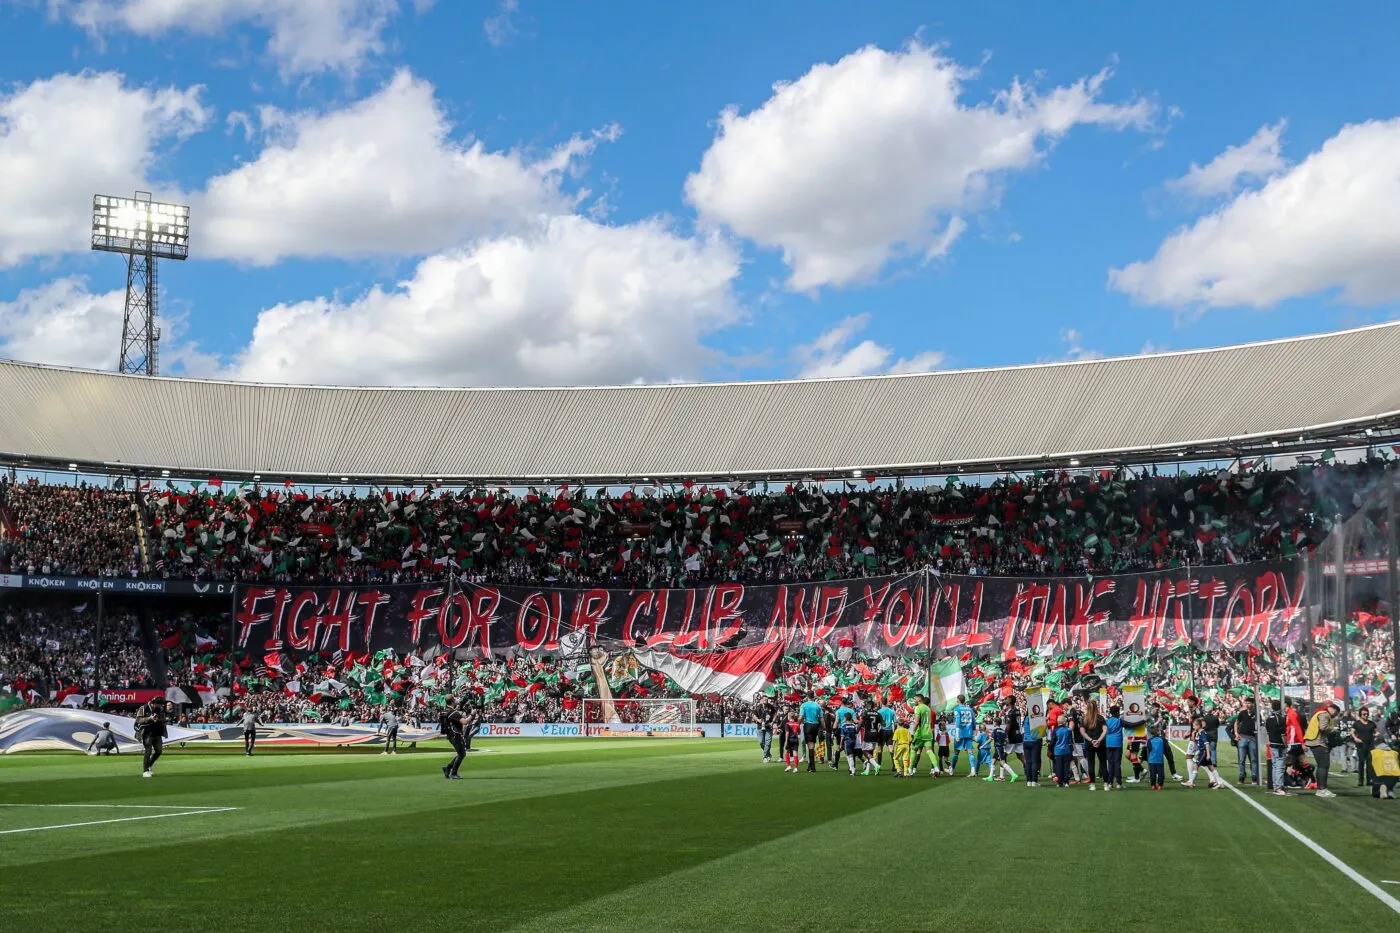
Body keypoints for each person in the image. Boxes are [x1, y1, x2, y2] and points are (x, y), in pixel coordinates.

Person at [1305, 701, 1338, 798]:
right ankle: (1322, 789)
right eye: (1336, 714)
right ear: (1334, 710)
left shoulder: (1319, 713)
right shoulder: (1324, 714)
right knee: (1324, 765)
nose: (1335, 716)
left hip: (1313, 741)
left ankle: (1320, 788)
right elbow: (1323, 727)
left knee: (1321, 766)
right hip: (1318, 742)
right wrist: (1333, 729)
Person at [133, 696, 168, 778]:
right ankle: (145, 771)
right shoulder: (143, 708)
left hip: (158, 733)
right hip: (147, 733)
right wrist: (149, 718)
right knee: (148, 751)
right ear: (154, 703)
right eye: (159, 705)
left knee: (159, 751)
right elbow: (138, 720)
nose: (160, 707)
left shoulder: (161, 709)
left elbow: (163, 719)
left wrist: (162, 720)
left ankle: (149, 766)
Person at [1184, 717, 1224, 790]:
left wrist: (1208, 754)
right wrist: (1193, 736)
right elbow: (1198, 742)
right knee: (1211, 767)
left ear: (1198, 726)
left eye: (1194, 726)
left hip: (1204, 753)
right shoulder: (1199, 733)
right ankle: (1220, 783)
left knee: (1196, 766)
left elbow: (1207, 743)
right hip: (1203, 752)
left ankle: (1191, 782)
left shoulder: (1202, 733)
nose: (1193, 727)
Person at [1263, 699, 1289, 797]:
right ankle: (1279, 787)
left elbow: (1268, 731)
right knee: (1280, 766)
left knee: (1274, 765)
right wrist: (1286, 745)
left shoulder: (1268, 718)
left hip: (1272, 744)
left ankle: (1275, 786)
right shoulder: (1281, 718)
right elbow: (1283, 734)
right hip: (1279, 745)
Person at [1233, 696, 1259, 786]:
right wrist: (1236, 732)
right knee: (1241, 760)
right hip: (1243, 737)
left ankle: (1254, 777)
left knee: (1253, 759)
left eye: (1249, 703)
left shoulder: (1257, 714)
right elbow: (1236, 722)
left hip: (1252, 738)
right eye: (1246, 703)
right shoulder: (1242, 713)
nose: (1247, 705)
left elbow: (1260, 726)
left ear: (1253, 704)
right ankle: (1241, 777)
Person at [1080, 700, 1106, 790]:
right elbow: (1105, 730)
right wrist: (1098, 740)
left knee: (1091, 764)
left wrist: (1091, 740)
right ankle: (1106, 784)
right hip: (1100, 744)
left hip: (1089, 744)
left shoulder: (1085, 718)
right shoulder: (1101, 718)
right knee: (1103, 764)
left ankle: (1093, 784)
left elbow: (1082, 732)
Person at [440, 698, 467, 780]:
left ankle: (448, 768)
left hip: (450, 734)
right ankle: (453, 773)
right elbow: (465, 722)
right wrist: (472, 715)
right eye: (455, 699)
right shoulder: (453, 712)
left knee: (461, 753)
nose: (456, 700)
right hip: (455, 735)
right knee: (461, 754)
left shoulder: (445, 711)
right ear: (452, 701)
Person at [908, 694, 935, 776]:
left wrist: (913, 732)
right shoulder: (932, 711)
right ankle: (934, 768)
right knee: (930, 751)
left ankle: (913, 768)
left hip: (921, 732)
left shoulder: (920, 709)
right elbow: (932, 723)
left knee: (917, 750)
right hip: (930, 732)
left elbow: (917, 721)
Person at [951, 695, 977, 777]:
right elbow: (973, 722)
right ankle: (973, 770)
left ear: (958, 700)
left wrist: (957, 734)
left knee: (956, 752)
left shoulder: (957, 709)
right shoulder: (970, 709)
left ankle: (952, 770)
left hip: (961, 733)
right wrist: (973, 734)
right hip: (968, 733)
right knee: (970, 752)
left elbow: (958, 721)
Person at [1352, 707, 1378, 788]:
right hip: (1361, 745)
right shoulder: (1357, 723)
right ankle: (1360, 781)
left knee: (1370, 764)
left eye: (1367, 714)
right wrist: (1355, 738)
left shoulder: (1372, 723)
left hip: (1370, 745)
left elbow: (1377, 732)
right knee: (1361, 762)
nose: (1366, 715)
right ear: (1360, 715)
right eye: (1364, 714)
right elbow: (1352, 732)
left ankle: (1369, 780)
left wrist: (1375, 735)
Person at [799, 692, 824, 774]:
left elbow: (801, 717)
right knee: (812, 744)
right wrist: (823, 727)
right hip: (815, 725)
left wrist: (796, 725)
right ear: (814, 696)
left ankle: (812, 767)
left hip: (808, 725)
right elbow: (821, 718)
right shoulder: (817, 706)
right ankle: (810, 765)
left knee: (810, 746)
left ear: (807, 696)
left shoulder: (804, 705)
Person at [859, 700, 882, 776]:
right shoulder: (878, 714)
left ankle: (876, 765)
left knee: (864, 750)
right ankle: (867, 771)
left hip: (868, 734)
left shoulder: (865, 713)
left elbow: (860, 723)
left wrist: (856, 731)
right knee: (870, 752)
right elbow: (883, 723)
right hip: (875, 734)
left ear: (868, 706)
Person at [1104, 704, 1125, 790]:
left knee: (1110, 763)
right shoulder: (1119, 721)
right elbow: (1131, 725)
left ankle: (1110, 783)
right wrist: (1142, 721)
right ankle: (1119, 783)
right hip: (1117, 744)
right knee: (1117, 763)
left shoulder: (1107, 721)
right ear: (1117, 712)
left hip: (1108, 744)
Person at [1052, 715, 1074, 788]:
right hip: (1066, 750)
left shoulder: (1055, 730)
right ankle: (1066, 782)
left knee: (1059, 767)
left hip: (1058, 751)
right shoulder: (1068, 730)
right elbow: (1070, 741)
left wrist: (1050, 747)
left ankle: (1060, 782)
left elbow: (1053, 741)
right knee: (1066, 767)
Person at [875, 698, 897, 771]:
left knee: (880, 748)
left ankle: (879, 766)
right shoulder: (892, 711)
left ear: (881, 702)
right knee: (891, 749)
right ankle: (894, 765)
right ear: (887, 702)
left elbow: (877, 723)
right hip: (890, 731)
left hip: (882, 731)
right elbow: (895, 722)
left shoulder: (879, 711)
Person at [754, 696, 777, 763]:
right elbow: (754, 715)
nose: (766, 700)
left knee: (768, 742)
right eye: (765, 699)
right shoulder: (758, 707)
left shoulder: (771, 707)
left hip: (768, 727)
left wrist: (772, 722)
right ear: (761, 700)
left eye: (767, 699)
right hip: (760, 727)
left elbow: (775, 714)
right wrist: (758, 720)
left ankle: (765, 757)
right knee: (761, 742)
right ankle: (768, 754)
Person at [780, 709, 802, 773]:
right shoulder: (797, 724)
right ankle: (796, 768)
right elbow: (799, 732)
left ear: (788, 717)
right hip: (796, 739)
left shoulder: (787, 724)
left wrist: (786, 740)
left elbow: (787, 733)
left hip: (789, 739)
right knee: (795, 753)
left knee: (787, 752)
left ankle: (788, 766)